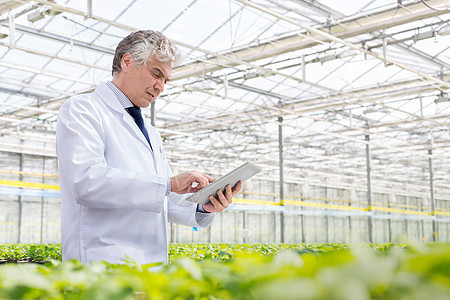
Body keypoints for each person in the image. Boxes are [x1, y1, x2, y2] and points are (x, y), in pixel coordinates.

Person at [56, 30, 242, 265]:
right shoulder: (83, 109)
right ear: (127, 62)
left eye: (165, 80)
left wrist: (204, 206)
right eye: (156, 74)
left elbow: (160, 198)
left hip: (149, 266)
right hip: (102, 264)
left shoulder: (150, 132)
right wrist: (169, 184)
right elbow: (86, 181)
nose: (161, 87)